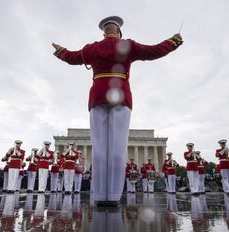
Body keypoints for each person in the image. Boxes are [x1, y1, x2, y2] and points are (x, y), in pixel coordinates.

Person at [52, 16, 183, 206]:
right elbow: (153, 51)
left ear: (103, 32)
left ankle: (99, 196)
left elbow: (72, 57)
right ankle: (112, 196)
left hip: (97, 96)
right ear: (119, 32)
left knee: (98, 148)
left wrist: (60, 51)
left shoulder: (92, 48)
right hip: (121, 96)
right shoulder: (126, 45)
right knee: (117, 148)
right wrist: (173, 42)